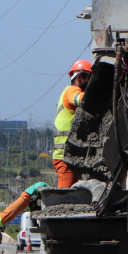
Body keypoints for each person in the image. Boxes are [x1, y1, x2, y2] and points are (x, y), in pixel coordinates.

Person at [53, 59, 91, 188]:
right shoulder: (71, 91)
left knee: (73, 196)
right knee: (64, 197)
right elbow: (83, 100)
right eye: (89, 79)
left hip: (71, 155)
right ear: (80, 77)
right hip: (65, 156)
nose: (91, 83)